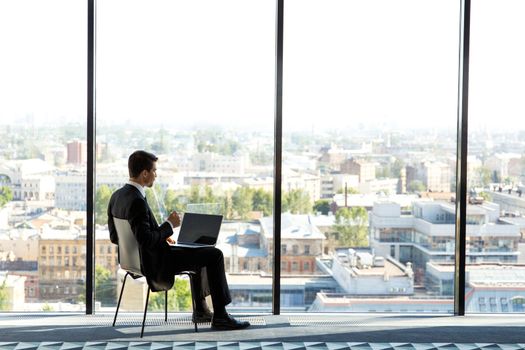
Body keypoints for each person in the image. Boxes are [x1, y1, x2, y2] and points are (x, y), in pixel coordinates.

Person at [108, 150, 250, 330]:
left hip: (136, 261)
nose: (156, 175)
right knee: (214, 255)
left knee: (201, 251)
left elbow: (116, 237)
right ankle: (220, 316)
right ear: (144, 173)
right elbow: (145, 239)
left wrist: (159, 238)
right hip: (153, 263)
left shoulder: (116, 197)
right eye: (154, 171)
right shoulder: (137, 201)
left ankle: (201, 310)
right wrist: (168, 225)